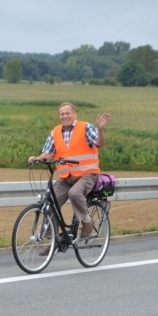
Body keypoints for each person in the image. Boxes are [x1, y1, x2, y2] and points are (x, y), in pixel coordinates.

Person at [28, 102, 112, 238]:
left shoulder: (85, 127)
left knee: (74, 193)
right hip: (66, 177)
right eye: (62, 114)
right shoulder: (55, 132)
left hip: (87, 174)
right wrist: (36, 158)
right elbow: (47, 153)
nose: (65, 116)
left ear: (74, 114)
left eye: (68, 113)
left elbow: (99, 143)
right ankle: (51, 239)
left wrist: (100, 129)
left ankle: (87, 221)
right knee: (51, 201)